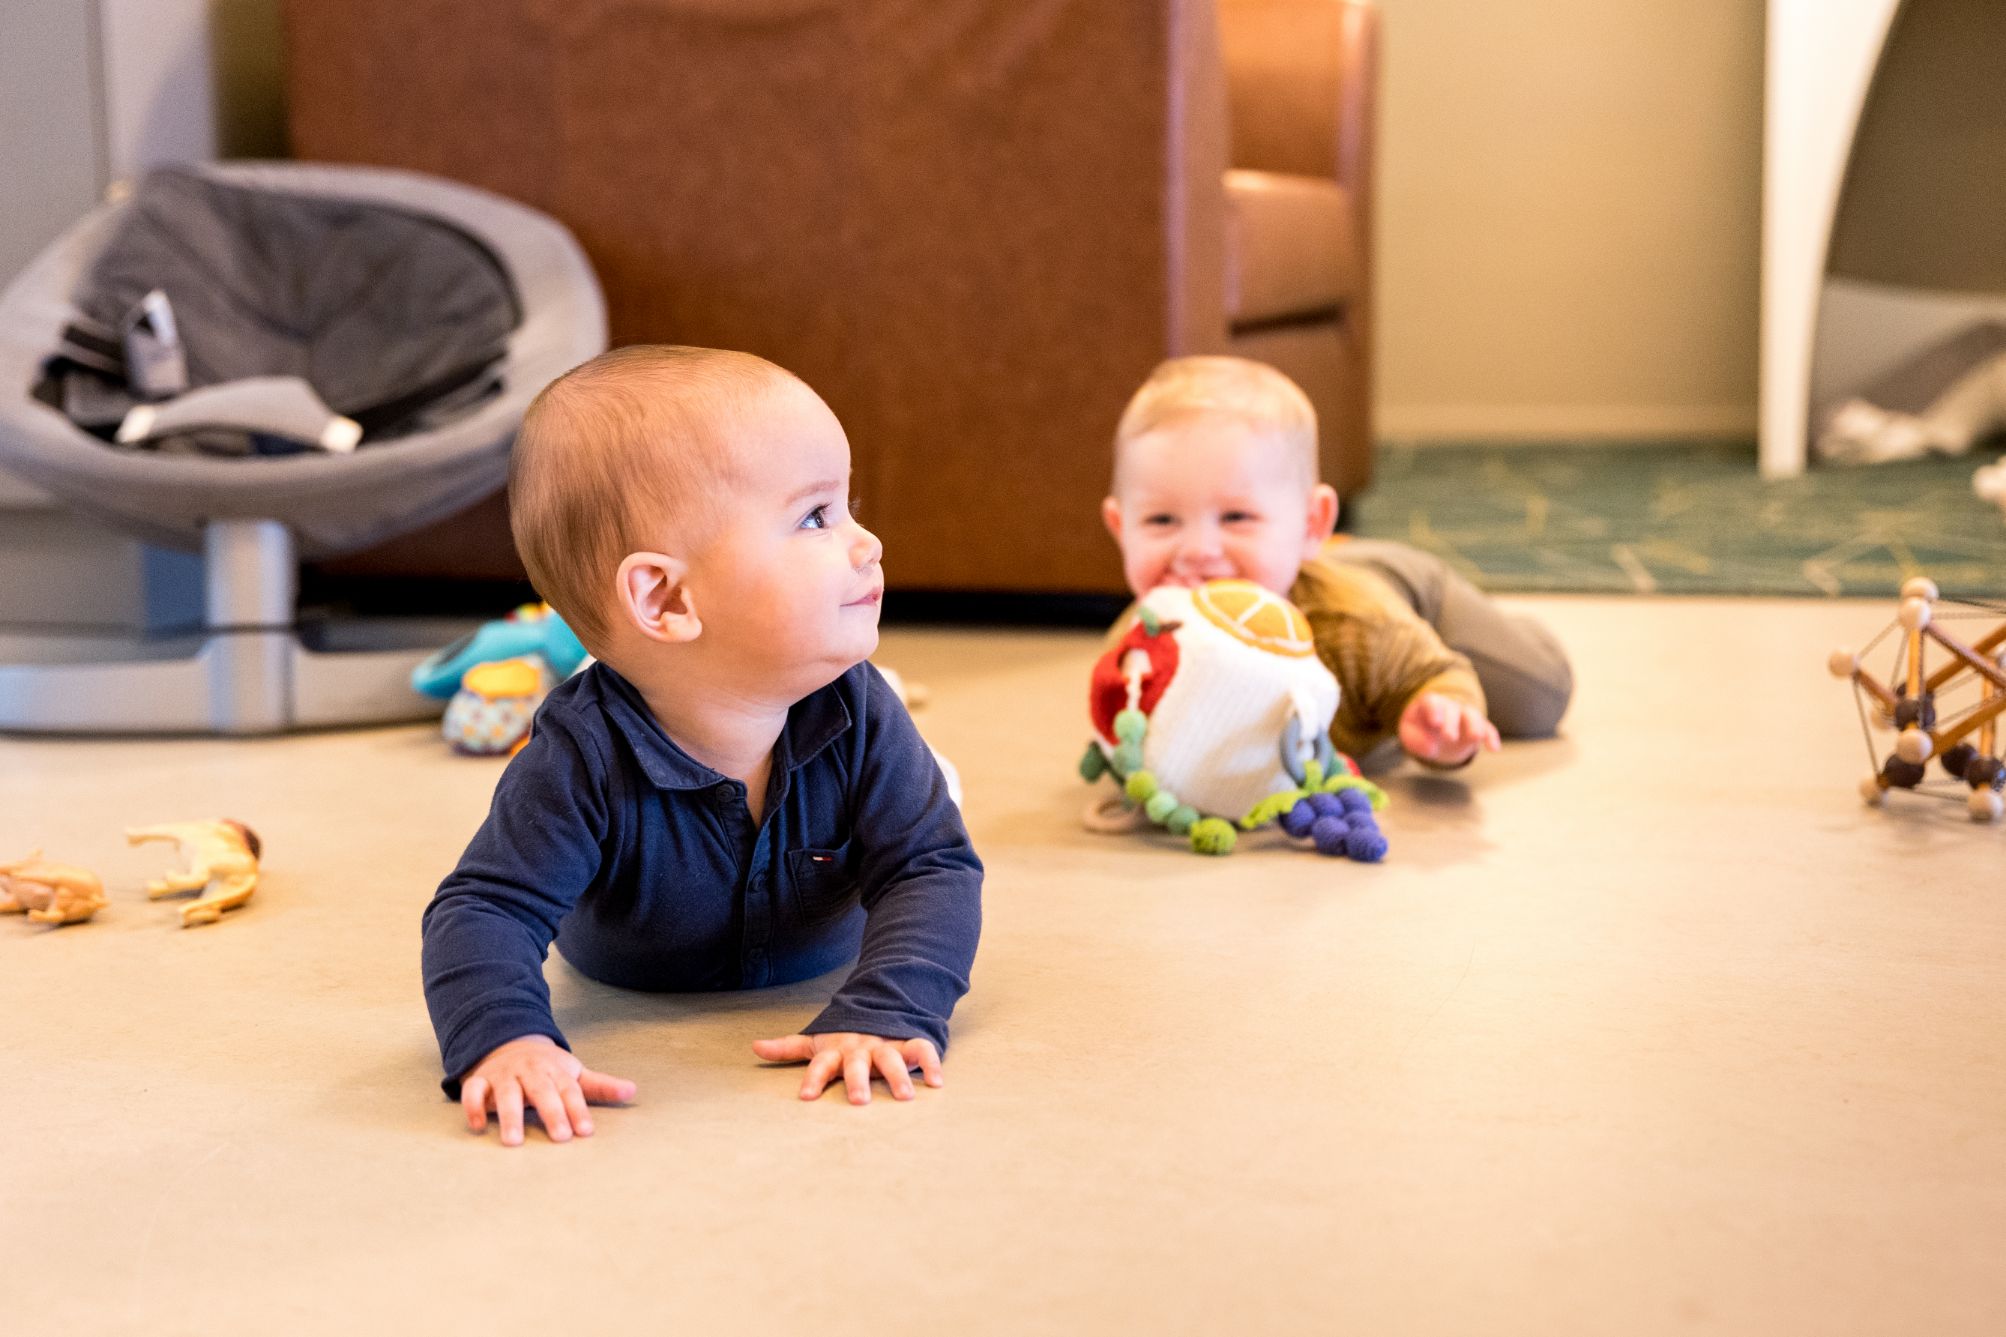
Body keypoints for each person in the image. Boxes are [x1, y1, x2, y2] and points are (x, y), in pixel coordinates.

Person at [422, 345, 981, 1146]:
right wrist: (506, 1038)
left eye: (848, 506)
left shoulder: (859, 709)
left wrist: (890, 1008)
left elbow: (933, 868)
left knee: (926, 819)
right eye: (816, 516)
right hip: (627, 970)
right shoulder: (578, 755)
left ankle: (928, 788)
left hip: (832, 935)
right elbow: (484, 908)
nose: (869, 544)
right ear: (667, 598)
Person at [1101, 356, 1572, 770]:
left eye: (1236, 517)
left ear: (1311, 523)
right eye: (1162, 520)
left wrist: (1440, 713)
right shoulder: (1138, 643)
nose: (1197, 551)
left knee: (1535, 699)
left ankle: (1505, 624)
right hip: (1311, 561)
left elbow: (1432, 677)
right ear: (1121, 529)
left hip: (1404, 588)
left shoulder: (1354, 625)